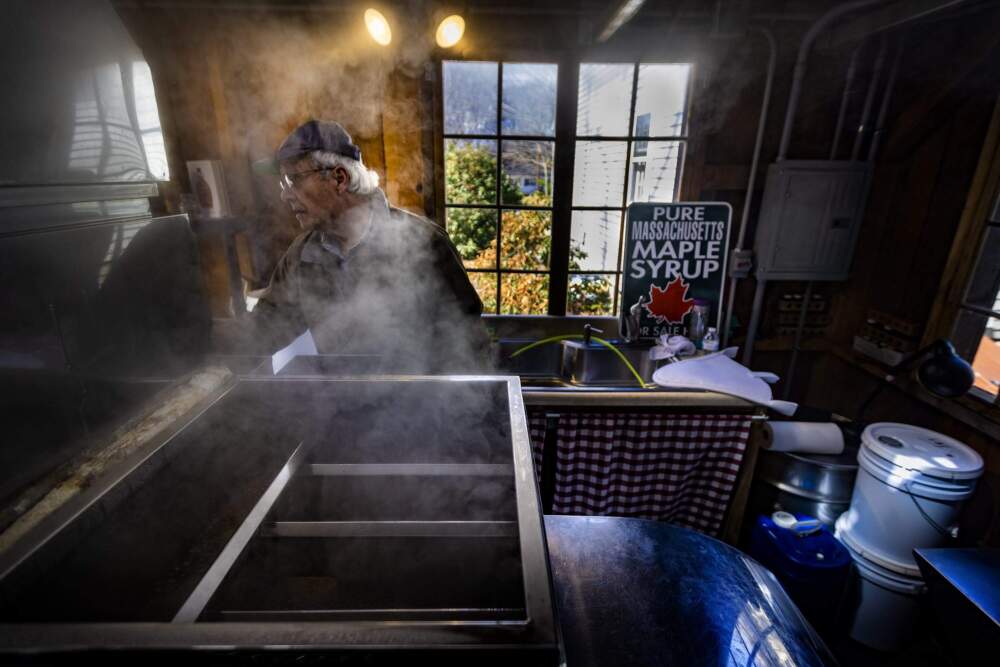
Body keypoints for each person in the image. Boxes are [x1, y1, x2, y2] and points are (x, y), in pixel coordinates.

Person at [251, 119, 489, 372]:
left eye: (293, 180)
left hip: (416, 404)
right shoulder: (300, 255)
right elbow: (265, 329)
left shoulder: (426, 244)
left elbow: (467, 345)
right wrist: (211, 356)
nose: (285, 195)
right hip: (333, 405)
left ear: (339, 178)